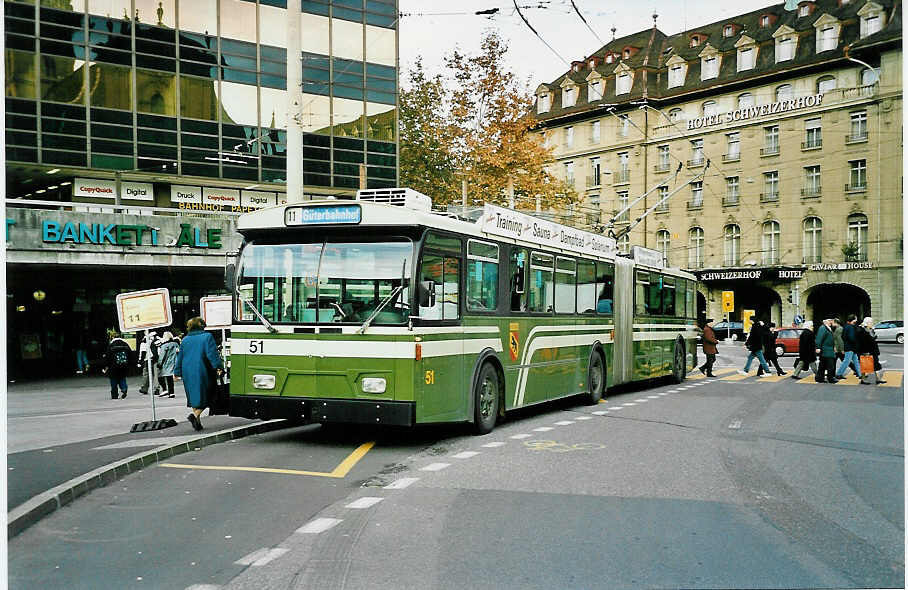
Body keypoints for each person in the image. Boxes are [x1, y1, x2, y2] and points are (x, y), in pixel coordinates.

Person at [174, 317, 223, 431]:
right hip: (202, 369)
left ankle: (198, 423)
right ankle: (195, 416)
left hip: (187, 370)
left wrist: (177, 372)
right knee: (209, 395)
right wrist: (218, 366)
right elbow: (212, 353)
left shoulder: (185, 339)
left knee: (194, 396)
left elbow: (180, 356)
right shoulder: (207, 336)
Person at [102, 333, 133, 399]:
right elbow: (130, 355)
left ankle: (114, 394)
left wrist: (106, 366)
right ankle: (124, 388)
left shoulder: (111, 345)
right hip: (123, 366)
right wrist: (129, 365)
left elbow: (107, 357)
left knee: (113, 380)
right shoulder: (125, 344)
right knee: (122, 378)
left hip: (113, 367)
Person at [835, 314, 862, 380]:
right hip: (850, 347)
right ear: (853, 320)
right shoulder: (850, 327)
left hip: (849, 346)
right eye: (855, 318)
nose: (856, 320)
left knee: (855, 361)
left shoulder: (846, 326)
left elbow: (843, 336)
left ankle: (860, 374)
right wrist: (856, 342)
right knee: (847, 361)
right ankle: (838, 374)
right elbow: (851, 337)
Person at [858, 317, 885, 384]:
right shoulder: (862, 331)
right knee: (865, 365)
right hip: (866, 351)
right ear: (867, 323)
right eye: (871, 322)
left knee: (876, 365)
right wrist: (865, 352)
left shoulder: (870, 330)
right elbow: (862, 343)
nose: (872, 324)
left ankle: (878, 379)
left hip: (873, 351)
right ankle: (863, 379)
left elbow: (872, 338)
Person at [155, 332, 180, 398]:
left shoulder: (164, 346)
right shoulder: (176, 344)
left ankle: (165, 389)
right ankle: (171, 392)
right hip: (174, 362)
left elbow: (162, 356)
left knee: (160, 376)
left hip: (166, 363)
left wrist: (159, 364)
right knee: (170, 378)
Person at [814, 318, 838, 383]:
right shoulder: (823, 328)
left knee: (823, 365)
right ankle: (830, 378)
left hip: (828, 350)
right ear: (825, 321)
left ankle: (819, 378)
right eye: (830, 320)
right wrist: (818, 347)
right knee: (830, 365)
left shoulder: (826, 328)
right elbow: (819, 338)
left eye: (831, 320)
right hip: (826, 350)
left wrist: (834, 347)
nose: (831, 322)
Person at [138, 331, 161, 396]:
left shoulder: (145, 340)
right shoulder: (158, 339)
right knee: (156, 375)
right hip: (156, 359)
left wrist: (140, 361)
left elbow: (143, 351)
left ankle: (144, 388)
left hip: (147, 359)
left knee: (146, 374)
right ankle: (156, 389)